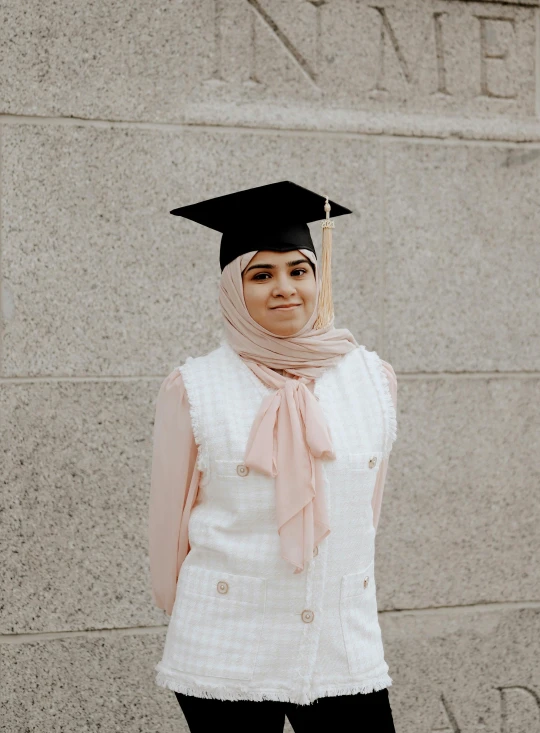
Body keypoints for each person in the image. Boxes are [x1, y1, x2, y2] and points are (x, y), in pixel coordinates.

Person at [149, 181, 398, 732]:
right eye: (261, 275)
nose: (284, 288)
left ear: (318, 277)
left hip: (341, 643)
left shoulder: (372, 380)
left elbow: (366, 511)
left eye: (298, 270)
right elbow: (169, 524)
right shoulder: (194, 388)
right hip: (226, 640)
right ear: (234, 288)